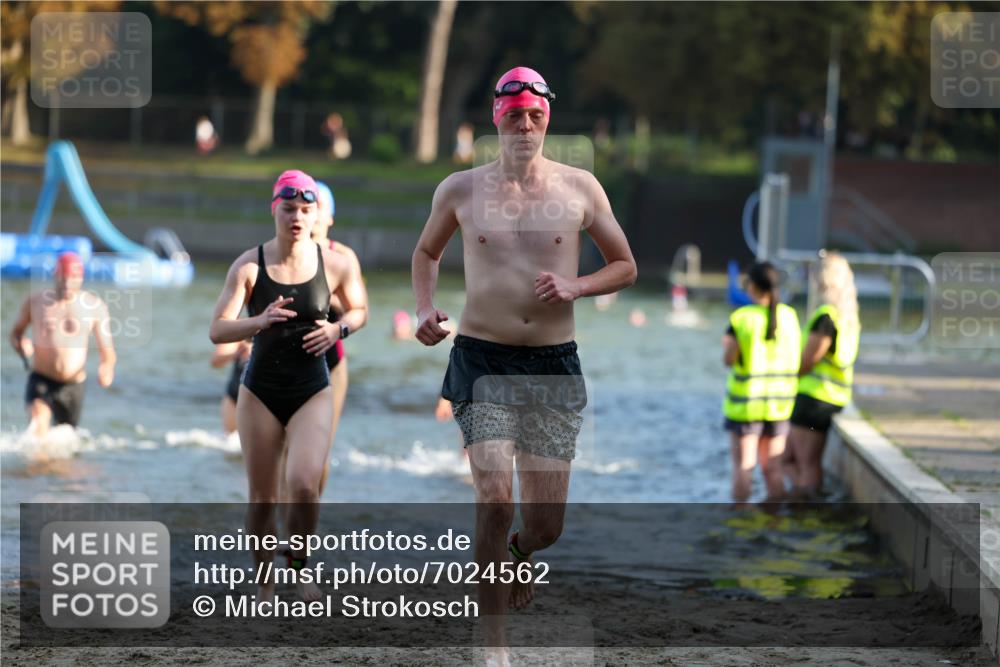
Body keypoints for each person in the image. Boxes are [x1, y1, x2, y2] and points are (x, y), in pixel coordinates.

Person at [412, 66, 637, 662]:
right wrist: (424, 309)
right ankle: (494, 645)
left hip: (553, 366)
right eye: (514, 114)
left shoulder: (580, 187)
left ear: (548, 120)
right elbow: (426, 252)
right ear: (497, 118)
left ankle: (516, 554)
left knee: (544, 527)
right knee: (492, 492)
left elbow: (626, 266)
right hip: (481, 358)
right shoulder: (460, 189)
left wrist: (577, 285)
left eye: (535, 115)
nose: (524, 124)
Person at [209, 170, 365, 603]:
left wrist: (338, 331)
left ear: (316, 214)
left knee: (303, 484)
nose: (297, 216)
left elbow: (360, 309)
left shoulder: (336, 263)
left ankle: (298, 569)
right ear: (274, 209)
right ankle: (263, 581)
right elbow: (216, 329)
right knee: (262, 499)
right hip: (259, 390)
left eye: (305, 209)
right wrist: (258, 322)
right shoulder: (249, 265)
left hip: (312, 388)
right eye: (289, 208)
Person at [9, 252, 116, 440]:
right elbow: (15, 334)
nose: (67, 285)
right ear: (55, 276)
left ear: (80, 278)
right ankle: (35, 466)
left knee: (65, 440)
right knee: (38, 425)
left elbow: (107, 351)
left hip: (74, 384)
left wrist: (106, 369)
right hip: (42, 380)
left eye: (72, 280)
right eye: (63, 279)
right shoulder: (36, 302)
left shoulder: (95, 306)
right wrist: (22, 346)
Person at [722, 262, 800, 503]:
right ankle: (775, 521)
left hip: (746, 406)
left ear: (752, 286)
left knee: (744, 467)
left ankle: (740, 523)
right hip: (779, 405)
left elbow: (728, 359)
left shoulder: (741, 318)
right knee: (772, 468)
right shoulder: (790, 316)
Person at [785, 252, 860, 498]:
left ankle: (806, 510)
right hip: (832, 397)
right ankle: (806, 505)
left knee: (804, 463)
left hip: (814, 399)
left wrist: (784, 375)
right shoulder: (848, 317)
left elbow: (808, 360)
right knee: (790, 459)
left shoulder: (826, 317)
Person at [211, 340, 252, 435]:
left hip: (264, 397)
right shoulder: (240, 336)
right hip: (234, 396)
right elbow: (215, 361)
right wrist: (238, 351)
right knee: (231, 440)